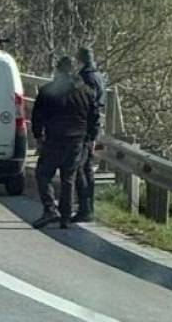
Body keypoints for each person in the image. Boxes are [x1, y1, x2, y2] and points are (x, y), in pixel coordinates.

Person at [31, 56, 99, 230]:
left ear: (58, 70)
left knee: (43, 174)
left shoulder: (48, 91)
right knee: (68, 178)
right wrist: (91, 137)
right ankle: (66, 217)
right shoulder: (86, 91)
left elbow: (37, 116)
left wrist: (38, 136)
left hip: (54, 139)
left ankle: (50, 209)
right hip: (77, 140)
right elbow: (94, 117)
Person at [74, 47, 107, 223]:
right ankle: (89, 207)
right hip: (94, 125)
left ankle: (84, 209)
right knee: (87, 169)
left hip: (84, 126)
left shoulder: (85, 78)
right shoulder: (99, 77)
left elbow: (88, 105)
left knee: (80, 168)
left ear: (80, 61)